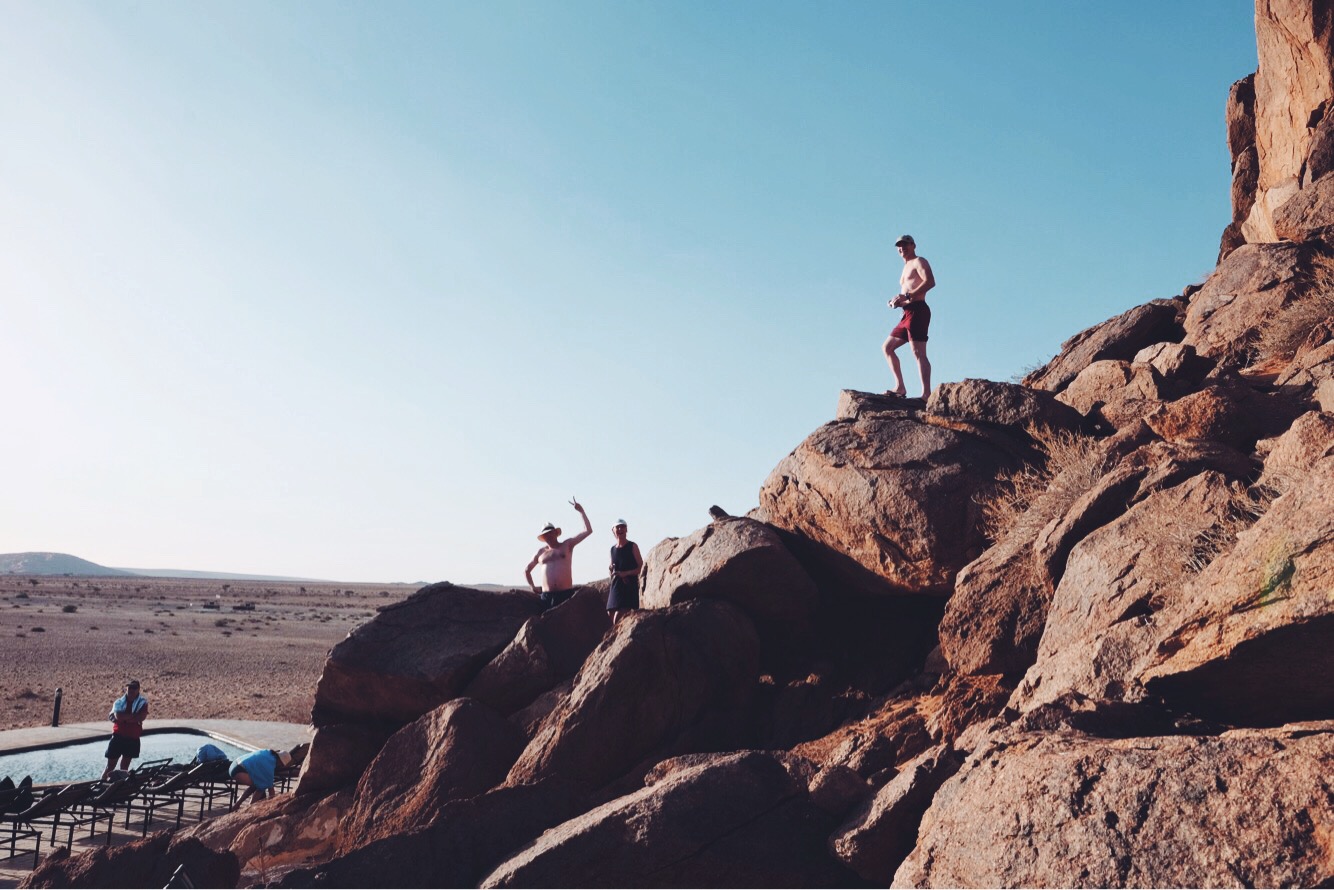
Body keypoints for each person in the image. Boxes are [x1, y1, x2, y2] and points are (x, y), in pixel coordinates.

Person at [883, 234, 936, 399]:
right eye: (899, 246)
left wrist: (908, 296)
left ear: (913, 245)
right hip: (906, 313)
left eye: (905, 244)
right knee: (888, 348)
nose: (902, 248)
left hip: (918, 310)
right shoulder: (905, 267)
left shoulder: (919, 261)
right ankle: (900, 387)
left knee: (918, 352)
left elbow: (930, 282)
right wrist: (895, 301)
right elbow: (906, 291)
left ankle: (926, 394)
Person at [525, 498, 593, 609]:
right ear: (543, 537)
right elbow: (527, 570)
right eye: (546, 535)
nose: (549, 536)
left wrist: (581, 511)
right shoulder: (540, 552)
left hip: (565, 594)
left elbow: (588, 530)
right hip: (546, 596)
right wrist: (532, 586)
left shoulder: (567, 545)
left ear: (556, 533)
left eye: (551, 533)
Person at [102, 680, 148, 779]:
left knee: (124, 767)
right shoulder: (119, 702)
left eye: (134, 688)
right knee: (110, 766)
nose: (131, 690)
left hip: (133, 737)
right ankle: (99, 786)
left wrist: (125, 719)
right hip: (118, 736)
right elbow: (118, 716)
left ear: (138, 689)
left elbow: (141, 717)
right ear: (126, 689)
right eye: (129, 688)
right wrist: (133, 717)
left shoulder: (142, 702)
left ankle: (120, 788)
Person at [606, 519, 644, 624]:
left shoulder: (632, 546)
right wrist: (610, 569)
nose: (620, 529)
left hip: (628, 586)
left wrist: (626, 573)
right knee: (610, 613)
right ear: (613, 530)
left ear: (626, 529)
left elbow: (641, 567)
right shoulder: (612, 550)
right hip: (616, 586)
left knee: (618, 616)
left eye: (622, 527)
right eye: (617, 527)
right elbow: (611, 571)